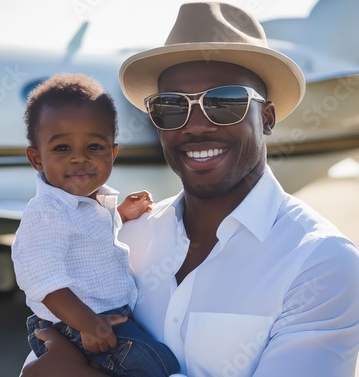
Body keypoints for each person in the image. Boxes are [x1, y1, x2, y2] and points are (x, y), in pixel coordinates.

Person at [20, 2, 359, 377]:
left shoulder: (321, 262)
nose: (195, 125)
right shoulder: (127, 238)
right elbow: (47, 349)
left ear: (266, 117)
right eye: (171, 107)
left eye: (224, 102)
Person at [11, 72, 180, 377]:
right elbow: (43, 281)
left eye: (94, 147)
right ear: (36, 159)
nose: (79, 158)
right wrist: (89, 324)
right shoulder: (46, 212)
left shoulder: (90, 206)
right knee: (157, 365)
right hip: (73, 324)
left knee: (158, 362)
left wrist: (121, 215)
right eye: (62, 148)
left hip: (99, 319)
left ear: (112, 153)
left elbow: (88, 241)